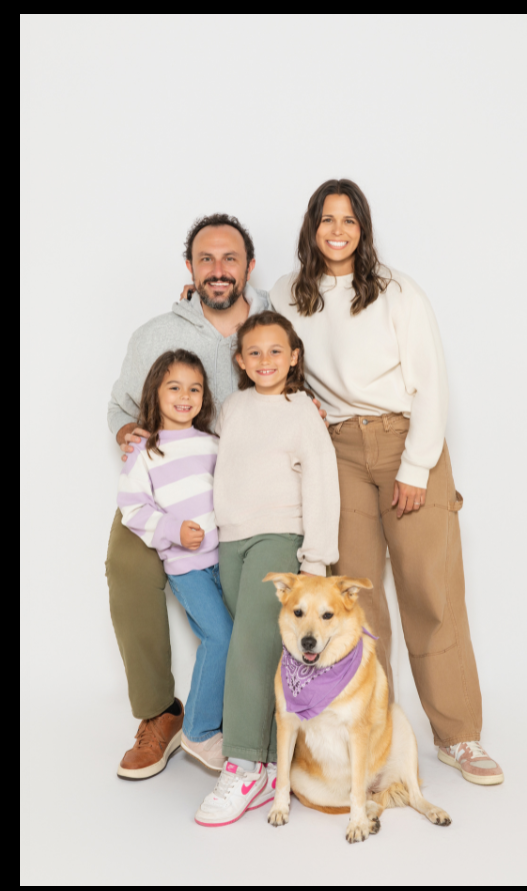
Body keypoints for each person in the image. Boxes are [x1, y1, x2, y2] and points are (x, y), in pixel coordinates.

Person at [268, 178, 502, 785]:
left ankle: (459, 736)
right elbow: (265, 353)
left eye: (349, 220)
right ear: (311, 227)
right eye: (327, 219)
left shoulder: (398, 292)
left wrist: (418, 466)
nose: (338, 230)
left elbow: (432, 381)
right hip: (339, 452)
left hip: (404, 441)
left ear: (363, 229)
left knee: (431, 592)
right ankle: (373, 742)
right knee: (354, 606)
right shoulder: (287, 293)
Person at [109, 214, 326, 780]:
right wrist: (128, 435)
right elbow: (119, 406)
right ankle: (162, 714)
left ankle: (275, 723)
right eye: (206, 259)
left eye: (230, 258)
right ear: (190, 269)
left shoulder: (272, 324)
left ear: (250, 267)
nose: (218, 269)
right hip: (164, 490)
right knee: (126, 570)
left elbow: (304, 384)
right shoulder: (156, 333)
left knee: (256, 607)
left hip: (239, 502)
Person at [193, 310, 340, 826]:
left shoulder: (301, 411)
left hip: (280, 538)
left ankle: (242, 763)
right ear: (239, 360)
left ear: (294, 357)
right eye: (253, 352)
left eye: (276, 351)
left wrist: (316, 560)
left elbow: (323, 482)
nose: (265, 361)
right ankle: (277, 764)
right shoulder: (232, 408)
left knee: (247, 649)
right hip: (230, 542)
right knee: (261, 650)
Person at [116, 350, 231, 781]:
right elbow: (132, 508)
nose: (185, 396)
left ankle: (234, 727)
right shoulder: (145, 451)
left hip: (226, 563)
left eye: (195, 388)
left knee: (239, 640)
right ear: (155, 393)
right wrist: (172, 530)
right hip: (188, 567)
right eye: (174, 387)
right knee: (220, 637)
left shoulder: (213, 444)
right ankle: (199, 730)